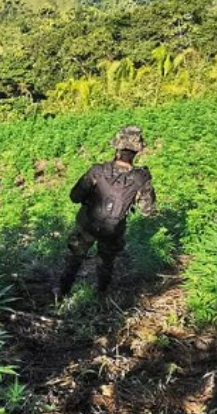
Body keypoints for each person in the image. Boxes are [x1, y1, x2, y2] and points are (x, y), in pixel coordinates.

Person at [53, 125, 157, 301]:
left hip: (87, 224)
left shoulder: (97, 171)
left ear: (117, 148)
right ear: (137, 152)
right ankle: (101, 297)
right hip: (113, 230)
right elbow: (148, 211)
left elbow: (74, 196)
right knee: (106, 263)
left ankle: (61, 293)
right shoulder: (141, 178)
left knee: (75, 258)